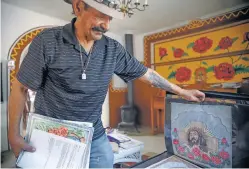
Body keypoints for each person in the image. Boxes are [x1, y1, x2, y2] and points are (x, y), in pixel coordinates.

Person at [8, 0, 205, 168]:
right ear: (78, 7)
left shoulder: (113, 49)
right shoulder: (47, 41)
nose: (106, 25)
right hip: (50, 134)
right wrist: (14, 135)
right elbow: (20, 87)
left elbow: (146, 73)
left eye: (110, 19)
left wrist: (182, 92)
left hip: (94, 135)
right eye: (101, 15)